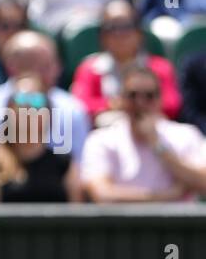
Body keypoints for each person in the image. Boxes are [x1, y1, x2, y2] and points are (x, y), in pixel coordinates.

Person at [0, 30, 90, 166]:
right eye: (43, 66)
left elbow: (81, 167)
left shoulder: (72, 109)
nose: (55, 71)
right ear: (13, 68)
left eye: (54, 64)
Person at [80, 64, 206, 202]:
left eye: (149, 96)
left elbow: (203, 183)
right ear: (120, 99)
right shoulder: (100, 140)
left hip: (180, 224)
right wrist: (168, 195)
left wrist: (158, 146)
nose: (140, 103)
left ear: (160, 100)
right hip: (121, 224)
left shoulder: (186, 135)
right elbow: (102, 195)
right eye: (132, 95)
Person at [0, 74, 83, 204]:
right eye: (22, 100)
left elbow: (76, 214)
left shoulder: (64, 165)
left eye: (37, 101)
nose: (28, 108)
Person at [70, 0, 181, 124]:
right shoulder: (89, 68)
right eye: (111, 28)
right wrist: (112, 104)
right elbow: (79, 105)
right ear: (102, 36)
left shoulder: (160, 67)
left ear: (139, 33)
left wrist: (133, 105)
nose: (119, 34)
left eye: (126, 27)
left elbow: (172, 104)